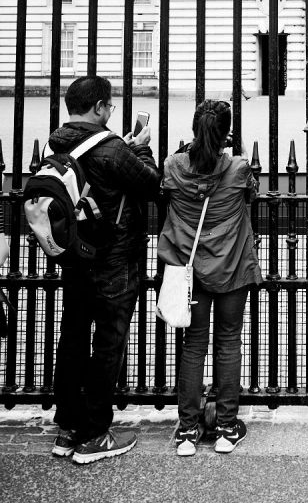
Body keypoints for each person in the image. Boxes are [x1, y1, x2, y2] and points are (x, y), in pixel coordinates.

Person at [50, 76, 160, 464]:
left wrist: (123, 151)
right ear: (98, 107)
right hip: (113, 258)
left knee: (73, 339)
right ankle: (95, 433)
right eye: (110, 107)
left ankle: (67, 427)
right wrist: (142, 150)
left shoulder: (57, 142)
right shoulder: (113, 148)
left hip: (76, 257)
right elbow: (152, 185)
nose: (110, 112)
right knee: (109, 344)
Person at [158, 99, 262, 457]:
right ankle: (226, 428)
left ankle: (188, 430)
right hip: (231, 267)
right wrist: (240, 151)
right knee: (228, 342)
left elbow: (165, 194)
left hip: (190, 270)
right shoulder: (237, 167)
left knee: (193, 345)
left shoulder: (174, 165)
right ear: (225, 133)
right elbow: (253, 192)